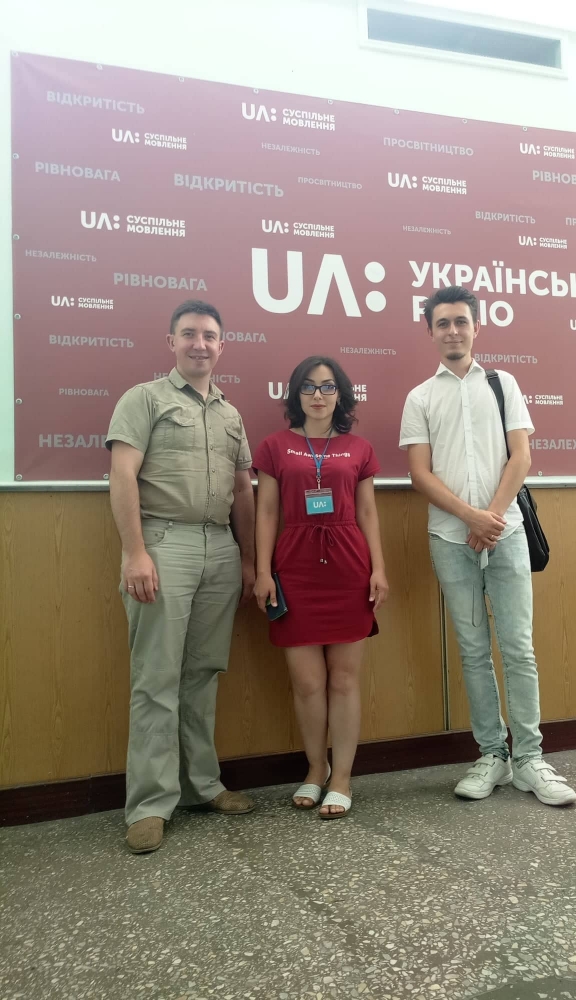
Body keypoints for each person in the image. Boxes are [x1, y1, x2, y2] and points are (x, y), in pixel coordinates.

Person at [399, 285, 576, 807]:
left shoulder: (504, 384)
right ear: (430, 332)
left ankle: (530, 760)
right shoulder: (420, 397)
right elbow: (419, 473)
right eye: (443, 323)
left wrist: (490, 520)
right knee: (474, 652)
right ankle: (492, 755)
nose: (453, 330)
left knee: (518, 648)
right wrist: (470, 518)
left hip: (508, 536)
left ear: (476, 327)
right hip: (449, 539)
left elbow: (521, 457)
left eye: (461, 321)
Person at [106, 300, 257, 854]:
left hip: (220, 548)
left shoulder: (231, 414)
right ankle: (149, 804)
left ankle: (202, 786)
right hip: (162, 544)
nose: (200, 343)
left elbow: (242, 490)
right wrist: (135, 553)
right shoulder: (143, 399)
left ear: (222, 345)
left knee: (202, 674)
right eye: (189, 334)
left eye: (209, 335)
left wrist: (248, 560)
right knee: (156, 677)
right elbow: (122, 474)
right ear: (171, 342)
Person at [253, 356, 388, 819]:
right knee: (308, 683)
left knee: (345, 680)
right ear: (295, 394)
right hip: (294, 568)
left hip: (349, 567)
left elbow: (367, 512)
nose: (318, 395)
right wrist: (263, 571)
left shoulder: (359, 448)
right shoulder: (274, 447)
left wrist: (378, 568)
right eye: (308, 387)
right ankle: (316, 769)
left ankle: (342, 778)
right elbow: (266, 512)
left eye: (328, 387)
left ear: (340, 395)